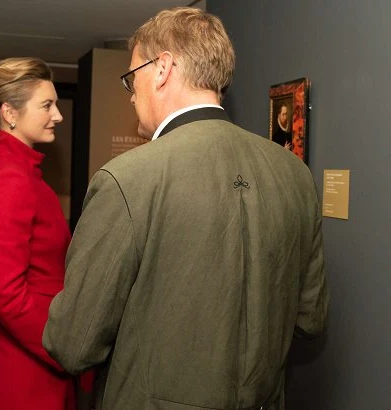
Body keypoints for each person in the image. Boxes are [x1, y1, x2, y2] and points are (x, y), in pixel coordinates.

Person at [43, 7, 329, 410]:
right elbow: (309, 319)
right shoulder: (294, 174)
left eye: (131, 78)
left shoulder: (127, 179)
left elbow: (73, 343)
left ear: (162, 69)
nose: (131, 94)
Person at [0, 57, 76, 410]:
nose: (58, 115)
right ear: (10, 113)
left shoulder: (8, 165)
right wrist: (64, 348)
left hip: (29, 353)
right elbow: (7, 295)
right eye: (47, 105)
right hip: (27, 366)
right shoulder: (7, 176)